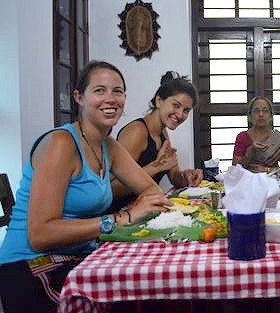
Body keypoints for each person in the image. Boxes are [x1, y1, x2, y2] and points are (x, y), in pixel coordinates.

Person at [0, 61, 172, 313]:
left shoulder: (108, 146)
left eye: (118, 91)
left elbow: (152, 192)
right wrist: (122, 217)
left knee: (154, 292)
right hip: (30, 266)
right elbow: (40, 235)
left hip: (77, 257)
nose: (110, 98)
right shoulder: (61, 143)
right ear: (79, 97)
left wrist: (139, 207)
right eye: (99, 90)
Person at [110, 71, 203, 212]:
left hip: (145, 211)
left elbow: (174, 177)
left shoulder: (163, 131)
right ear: (159, 101)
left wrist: (187, 176)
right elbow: (111, 189)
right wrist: (157, 167)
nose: (180, 114)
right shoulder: (137, 131)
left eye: (186, 110)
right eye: (176, 105)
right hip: (120, 216)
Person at [233, 96, 280, 173]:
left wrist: (266, 170)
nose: (261, 114)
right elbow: (235, 169)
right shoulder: (242, 137)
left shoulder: (277, 138)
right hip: (247, 182)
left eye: (265, 110)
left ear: (271, 116)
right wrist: (249, 153)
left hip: (272, 182)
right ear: (250, 116)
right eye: (256, 111)